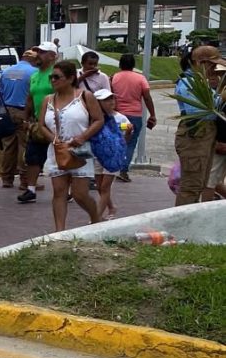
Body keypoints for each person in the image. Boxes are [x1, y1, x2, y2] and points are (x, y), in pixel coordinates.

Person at [37, 61, 103, 231]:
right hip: (57, 150)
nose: (53, 80)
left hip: (79, 151)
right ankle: (59, 231)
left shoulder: (85, 96)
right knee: (59, 191)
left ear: (70, 78)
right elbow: (41, 125)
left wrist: (82, 137)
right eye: (52, 77)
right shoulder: (48, 100)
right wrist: (53, 138)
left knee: (80, 194)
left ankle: (96, 218)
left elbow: (98, 120)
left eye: (57, 77)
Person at [173, 46, 226, 206]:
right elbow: (200, 110)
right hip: (195, 135)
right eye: (212, 65)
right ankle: (182, 225)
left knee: (200, 183)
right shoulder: (188, 82)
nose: (214, 69)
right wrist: (221, 98)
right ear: (200, 63)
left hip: (205, 135)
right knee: (191, 186)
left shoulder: (200, 82)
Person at [18, 41, 60, 204]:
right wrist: (25, 117)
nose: (38, 55)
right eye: (38, 52)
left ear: (52, 56)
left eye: (42, 52)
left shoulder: (56, 74)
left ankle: (66, 189)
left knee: (60, 155)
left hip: (56, 121)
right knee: (33, 156)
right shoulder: (34, 76)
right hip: (38, 121)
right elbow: (30, 98)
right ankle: (31, 189)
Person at [0, 49, 39, 189]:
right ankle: (24, 180)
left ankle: (7, 179)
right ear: (33, 60)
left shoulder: (7, 72)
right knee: (24, 146)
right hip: (24, 112)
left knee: (8, 146)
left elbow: (0, 92)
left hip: (8, 111)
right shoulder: (33, 72)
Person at [110, 53, 157, 182]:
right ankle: (123, 170)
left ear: (120, 64)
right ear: (133, 65)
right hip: (134, 117)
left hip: (118, 117)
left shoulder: (114, 78)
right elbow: (147, 97)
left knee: (117, 140)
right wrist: (152, 114)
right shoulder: (140, 78)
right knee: (130, 143)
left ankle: (110, 167)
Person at [91, 89, 133, 220]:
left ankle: (96, 217)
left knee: (105, 187)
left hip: (114, 156)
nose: (111, 102)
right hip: (98, 155)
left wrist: (127, 134)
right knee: (99, 186)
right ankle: (111, 207)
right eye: (106, 100)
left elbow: (126, 138)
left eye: (112, 99)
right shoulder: (93, 119)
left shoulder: (120, 118)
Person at [205, 64, 226, 201]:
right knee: (212, 180)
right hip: (219, 141)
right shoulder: (220, 93)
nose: (217, 78)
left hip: (222, 142)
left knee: (210, 180)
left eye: (220, 74)